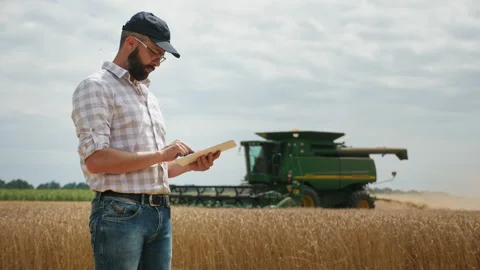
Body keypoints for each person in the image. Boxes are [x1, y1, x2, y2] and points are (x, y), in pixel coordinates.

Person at [71, 11, 221, 270]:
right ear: (131, 43)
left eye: (161, 57)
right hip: (120, 213)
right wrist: (162, 154)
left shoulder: (148, 96)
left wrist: (188, 165)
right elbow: (97, 160)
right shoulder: (96, 87)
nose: (157, 62)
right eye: (154, 52)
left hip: (160, 212)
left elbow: (148, 168)